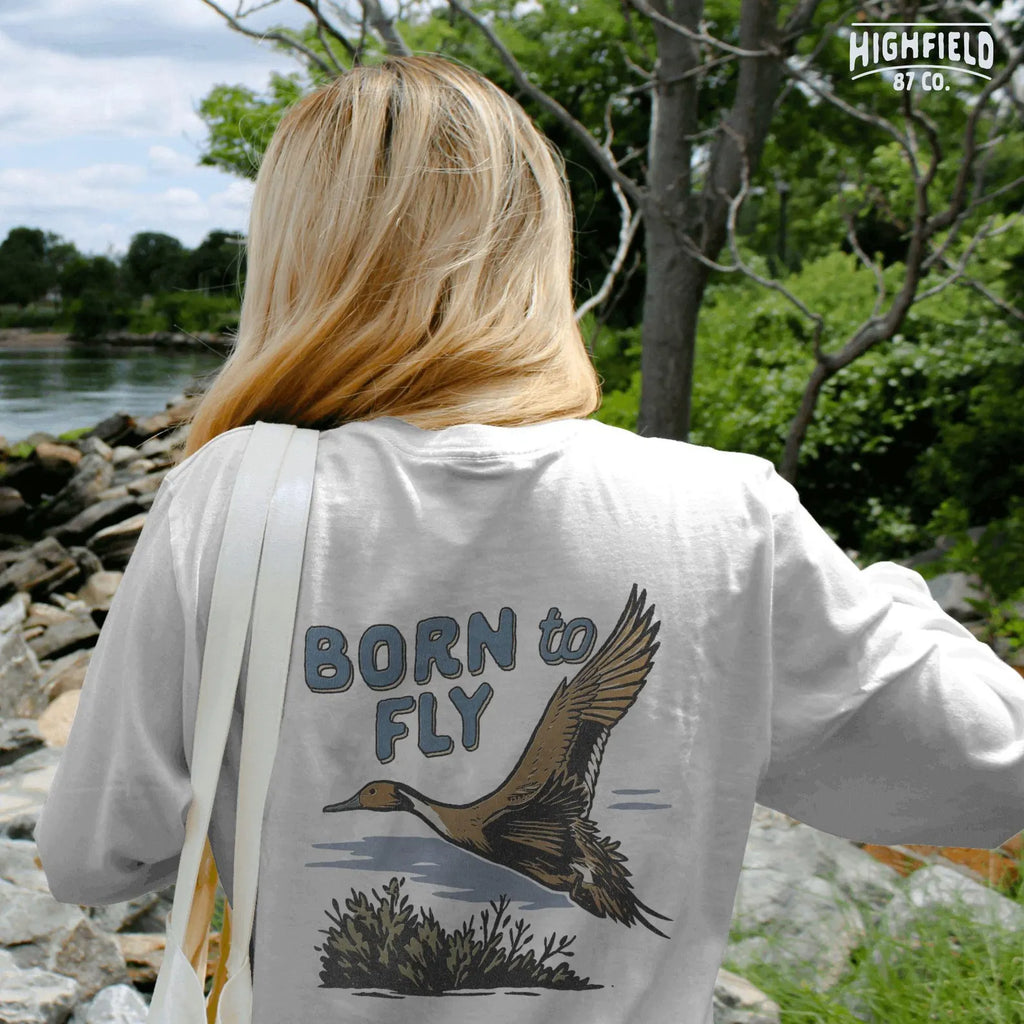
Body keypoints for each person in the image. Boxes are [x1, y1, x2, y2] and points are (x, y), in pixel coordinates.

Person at [35, 54, 1024, 1024]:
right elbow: (991, 772)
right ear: (532, 246)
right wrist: (891, 591)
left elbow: (89, 855)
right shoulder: (724, 511)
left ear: (294, 260)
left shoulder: (228, 500)